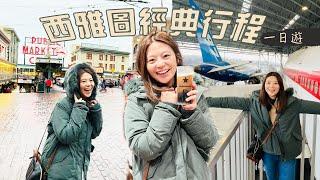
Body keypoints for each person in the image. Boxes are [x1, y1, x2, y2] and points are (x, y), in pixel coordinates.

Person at [124, 31, 219, 179]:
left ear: (177, 57)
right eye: (152, 60)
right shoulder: (137, 101)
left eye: (166, 56)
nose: (160, 64)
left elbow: (210, 141)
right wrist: (167, 106)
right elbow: (144, 149)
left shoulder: (193, 94)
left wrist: (190, 112)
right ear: (145, 66)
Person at [206, 71, 320, 180]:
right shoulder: (254, 102)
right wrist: (206, 101)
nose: (271, 86)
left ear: (280, 85)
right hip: (268, 152)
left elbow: (315, 107)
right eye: (268, 83)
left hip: (288, 153)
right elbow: (228, 102)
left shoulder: (292, 103)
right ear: (264, 85)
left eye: (276, 83)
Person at [40, 63, 103, 179]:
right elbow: (65, 136)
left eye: (91, 80)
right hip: (60, 171)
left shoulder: (86, 105)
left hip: (78, 168)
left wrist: (96, 111)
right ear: (75, 84)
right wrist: (79, 108)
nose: (89, 84)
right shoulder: (63, 106)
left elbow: (94, 133)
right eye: (84, 81)